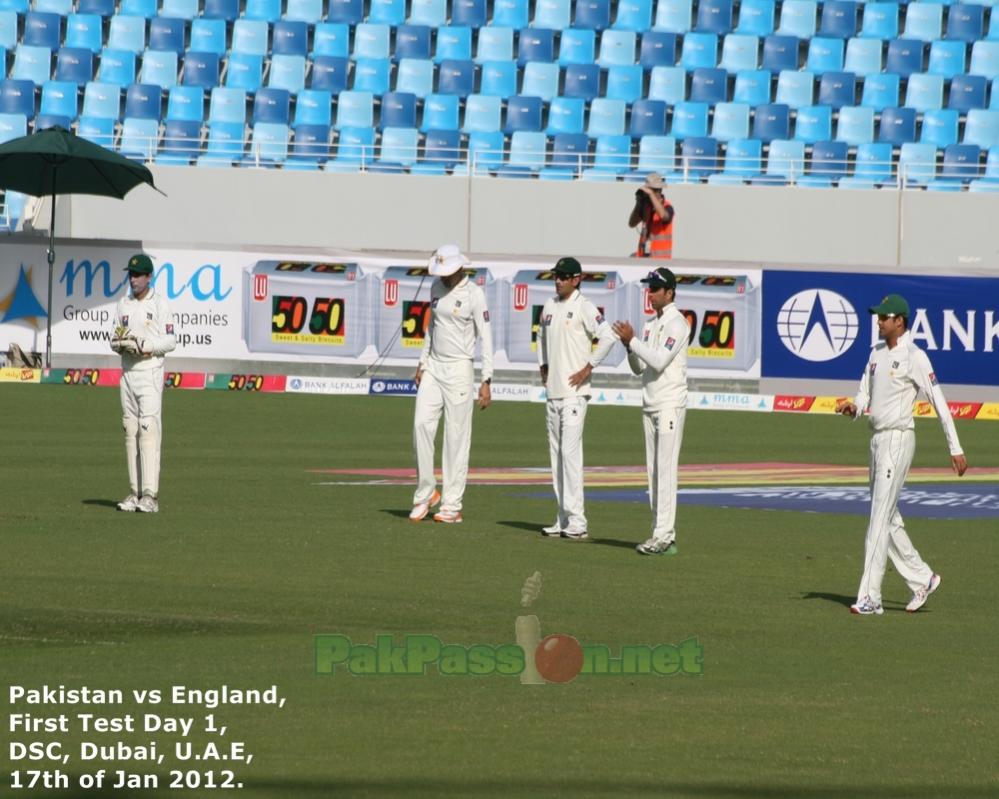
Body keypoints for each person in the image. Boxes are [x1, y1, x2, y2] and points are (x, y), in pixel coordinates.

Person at [835, 294, 968, 615]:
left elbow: (939, 402)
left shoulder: (915, 356)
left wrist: (956, 447)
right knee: (888, 518)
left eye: (884, 317)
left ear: (900, 321)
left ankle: (870, 598)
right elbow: (864, 395)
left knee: (878, 519)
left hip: (898, 439)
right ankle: (923, 577)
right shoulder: (875, 354)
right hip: (876, 440)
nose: (879, 322)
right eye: (878, 317)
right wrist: (853, 408)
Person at [410, 244, 494, 525]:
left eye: (446, 271)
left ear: (459, 267)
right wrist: (422, 362)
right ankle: (425, 493)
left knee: (455, 439)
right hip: (434, 366)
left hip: (460, 368)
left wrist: (486, 380)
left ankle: (452, 504)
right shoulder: (435, 287)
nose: (443, 276)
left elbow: (487, 337)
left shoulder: (474, 294)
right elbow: (431, 328)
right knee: (421, 425)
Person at [537, 257, 617, 539]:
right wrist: (543, 364)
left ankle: (578, 521)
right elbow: (541, 338)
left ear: (576, 279)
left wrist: (588, 368)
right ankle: (562, 518)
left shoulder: (584, 306)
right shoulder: (548, 305)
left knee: (570, 456)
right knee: (556, 457)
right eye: (555, 276)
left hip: (574, 394)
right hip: (553, 393)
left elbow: (607, 337)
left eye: (563, 276)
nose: (557, 280)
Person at [612, 267, 690, 556]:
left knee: (665, 471)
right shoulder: (648, 325)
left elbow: (658, 361)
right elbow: (639, 368)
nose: (651, 292)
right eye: (649, 287)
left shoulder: (678, 324)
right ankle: (659, 532)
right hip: (650, 403)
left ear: (669, 292)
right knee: (653, 473)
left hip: (670, 403)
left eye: (656, 289)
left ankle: (664, 535)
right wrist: (629, 347)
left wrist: (632, 341)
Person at [111, 253, 176, 513]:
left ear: (149, 277)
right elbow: (115, 336)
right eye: (131, 274)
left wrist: (146, 346)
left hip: (150, 372)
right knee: (130, 430)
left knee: (148, 429)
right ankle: (134, 493)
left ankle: (150, 496)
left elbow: (170, 341)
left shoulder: (160, 304)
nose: (133, 279)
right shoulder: (123, 304)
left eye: (138, 275)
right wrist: (120, 344)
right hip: (127, 372)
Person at [629, 172, 674, 259]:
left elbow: (663, 216)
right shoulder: (646, 207)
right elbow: (632, 224)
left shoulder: (667, 207)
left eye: (652, 190)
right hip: (643, 258)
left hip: (660, 260)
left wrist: (650, 194)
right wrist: (639, 203)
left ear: (659, 190)